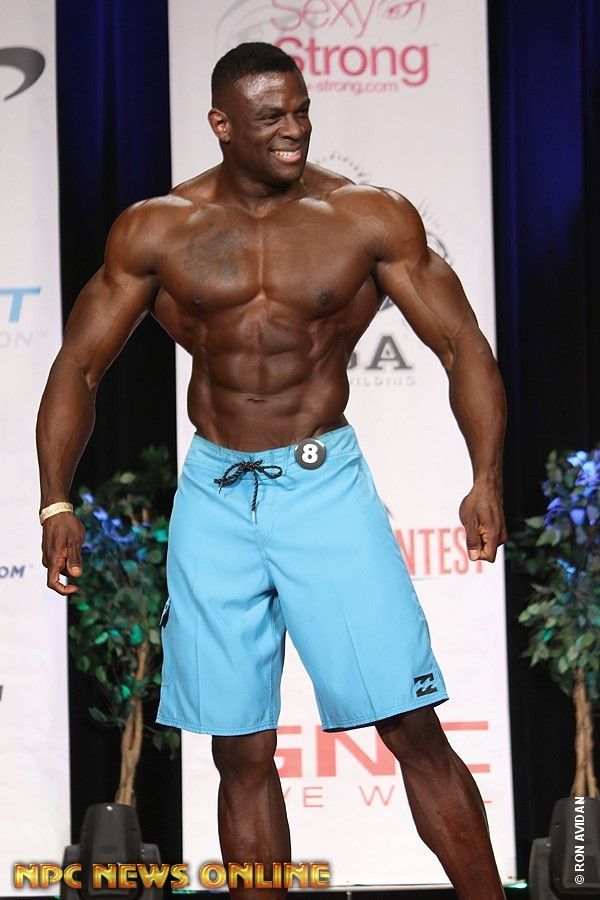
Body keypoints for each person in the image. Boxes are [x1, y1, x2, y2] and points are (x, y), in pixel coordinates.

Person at [37, 41, 507, 900]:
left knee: (410, 724)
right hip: (216, 493)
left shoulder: (365, 218)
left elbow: (461, 344)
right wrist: (55, 501)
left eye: (301, 112)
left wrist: (485, 476)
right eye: (270, 118)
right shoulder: (158, 229)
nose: (293, 130)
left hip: (323, 485)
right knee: (240, 749)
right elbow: (79, 366)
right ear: (221, 124)